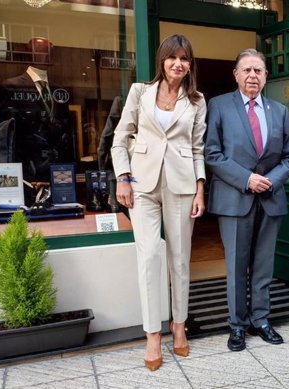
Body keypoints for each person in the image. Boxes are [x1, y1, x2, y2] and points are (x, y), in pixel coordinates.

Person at [111, 34, 206, 371]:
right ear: (162, 60)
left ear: (189, 64)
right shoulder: (140, 93)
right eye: (172, 58)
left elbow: (197, 148)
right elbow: (119, 140)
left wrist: (200, 189)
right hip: (142, 184)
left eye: (184, 59)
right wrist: (123, 177)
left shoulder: (196, 100)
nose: (178, 64)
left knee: (179, 259)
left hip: (181, 184)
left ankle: (178, 327)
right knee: (150, 255)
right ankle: (153, 334)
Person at [205, 48, 289, 352]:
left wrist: (270, 180)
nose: (252, 75)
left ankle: (261, 320)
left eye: (258, 70)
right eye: (246, 70)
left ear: (266, 75)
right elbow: (212, 153)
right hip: (234, 198)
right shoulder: (218, 106)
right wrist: (246, 179)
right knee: (236, 266)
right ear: (236, 74)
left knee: (263, 267)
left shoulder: (279, 111)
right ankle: (237, 326)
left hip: (270, 198)